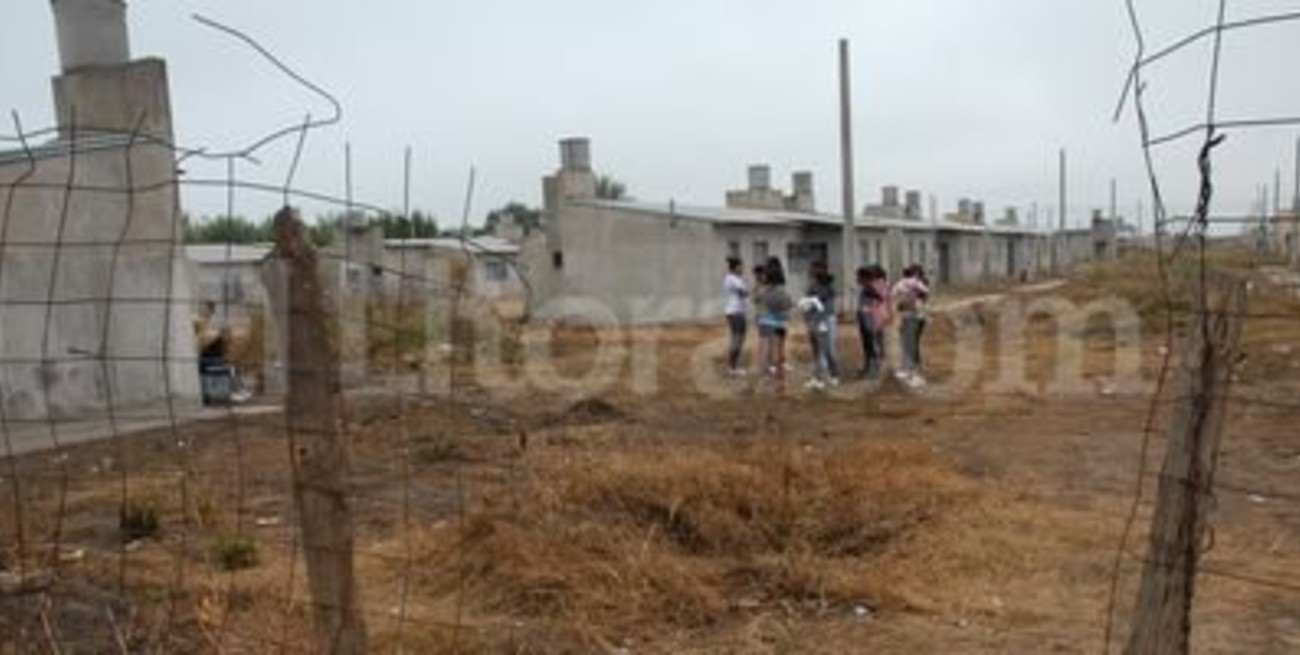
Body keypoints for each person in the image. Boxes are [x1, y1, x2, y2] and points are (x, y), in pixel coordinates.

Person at [891, 264, 931, 387]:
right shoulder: (917, 282)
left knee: (908, 343)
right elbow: (926, 293)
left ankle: (910, 369)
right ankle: (911, 369)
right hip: (916, 315)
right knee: (911, 343)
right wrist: (914, 297)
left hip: (908, 315)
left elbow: (893, 295)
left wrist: (902, 301)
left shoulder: (900, 283)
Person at [757, 257, 793, 390]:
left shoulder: (764, 283)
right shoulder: (781, 284)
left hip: (766, 318)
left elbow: (757, 297)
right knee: (779, 349)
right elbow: (787, 303)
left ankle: (765, 377)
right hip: (781, 319)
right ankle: (779, 380)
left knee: (765, 349)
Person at [806, 261, 840, 385]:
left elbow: (828, 296)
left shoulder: (829, 284)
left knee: (829, 348)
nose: (814, 272)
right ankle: (819, 375)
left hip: (827, 318)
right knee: (817, 349)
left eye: (816, 269)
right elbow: (810, 302)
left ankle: (833, 373)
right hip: (815, 319)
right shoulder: (812, 285)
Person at [856, 265, 891, 382]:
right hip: (868, 319)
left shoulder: (875, 286)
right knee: (869, 345)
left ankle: (876, 370)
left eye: (859, 277)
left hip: (873, 319)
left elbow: (880, 297)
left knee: (873, 345)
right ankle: (869, 367)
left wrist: (869, 287)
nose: (857, 279)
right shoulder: (869, 287)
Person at [723, 257, 750, 376]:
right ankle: (733, 367)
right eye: (740, 266)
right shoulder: (733, 279)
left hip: (734, 311)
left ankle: (733, 366)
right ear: (736, 267)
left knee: (737, 338)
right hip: (736, 311)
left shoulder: (730, 278)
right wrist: (750, 292)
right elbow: (742, 293)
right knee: (738, 338)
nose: (742, 269)